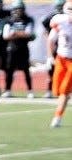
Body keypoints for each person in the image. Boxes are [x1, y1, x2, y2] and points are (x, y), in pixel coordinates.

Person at [1, 0, 34, 99]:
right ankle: (7, 90)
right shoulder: (9, 20)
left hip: (23, 48)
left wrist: (15, 33)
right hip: (12, 48)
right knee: (9, 70)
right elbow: (6, 36)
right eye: (16, 9)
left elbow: (28, 33)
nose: (18, 11)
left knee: (26, 70)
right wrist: (21, 34)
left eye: (20, 9)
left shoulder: (28, 19)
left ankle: (30, 90)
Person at [47, 0, 72, 128]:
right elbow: (51, 39)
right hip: (61, 58)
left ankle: (57, 117)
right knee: (57, 90)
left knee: (64, 91)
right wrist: (50, 57)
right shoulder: (60, 21)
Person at [42, 0, 66, 99]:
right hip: (55, 46)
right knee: (51, 69)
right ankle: (49, 90)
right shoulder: (52, 17)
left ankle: (64, 91)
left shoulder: (67, 18)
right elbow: (45, 31)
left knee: (65, 70)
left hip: (64, 47)